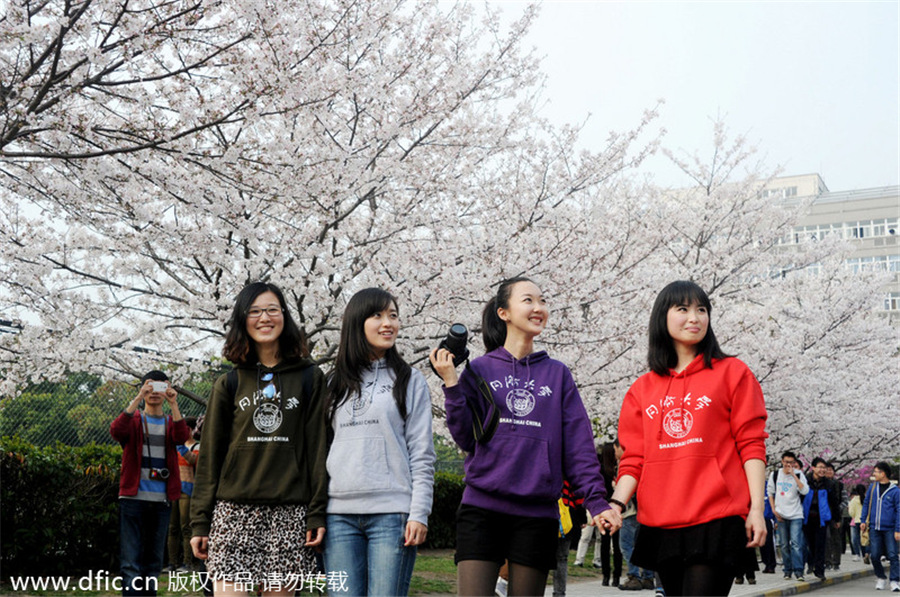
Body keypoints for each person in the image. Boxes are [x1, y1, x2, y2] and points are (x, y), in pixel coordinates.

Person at [430, 276, 621, 597]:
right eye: (528, 300)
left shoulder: (557, 375)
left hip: (536, 514)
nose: (538, 307)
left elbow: (578, 446)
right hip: (482, 509)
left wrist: (597, 502)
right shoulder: (480, 370)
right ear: (503, 312)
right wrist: (452, 383)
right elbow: (465, 437)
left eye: (542, 301)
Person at [608, 280, 768, 597]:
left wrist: (756, 509)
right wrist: (616, 503)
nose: (694, 317)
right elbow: (633, 458)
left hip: (717, 516)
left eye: (701, 309)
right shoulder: (642, 389)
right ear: (662, 318)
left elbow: (751, 444)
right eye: (682, 309)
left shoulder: (733, 372)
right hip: (661, 521)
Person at [190, 282, 328, 596]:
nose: (264, 318)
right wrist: (201, 521)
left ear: (284, 317)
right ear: (242, 320)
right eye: (254, 311)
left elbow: (318, 450)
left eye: (271, 310)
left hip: (290, 513)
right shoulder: (229, 382)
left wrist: (316, 512)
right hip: (233, 511)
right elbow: (210, 456)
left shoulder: (309, 378)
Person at [323, 288, 436, 596]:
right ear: (357, 322)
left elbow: (422, 453)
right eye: (378, 315)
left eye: (393, 316)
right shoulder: (333, 383)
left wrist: (419, 513)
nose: (388, 323)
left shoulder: (410, 381)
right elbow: (322, 450)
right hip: (338, 517)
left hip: (392, 514)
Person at [110, 370, 190, 596]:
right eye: (149, 387)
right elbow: (116, 431)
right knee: (130, 562)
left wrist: (174, 405)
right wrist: (136, 399)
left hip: (161, 501)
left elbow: (181, 436)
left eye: (160, 388)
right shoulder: (134, 419)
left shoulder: (170, 421)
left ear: (167, 390)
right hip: (133, 499)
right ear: (144, 389)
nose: (154, 392)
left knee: (153, 563)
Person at [768, 450, 809, 581]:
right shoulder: (775, 475)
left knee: (796, 544)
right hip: (781, 514)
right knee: (784, 544)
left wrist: (794, 475)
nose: (788, 465)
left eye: (791, 462)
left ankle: (799, 571)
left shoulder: (799, 474)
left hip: (796, 513)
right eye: (786, 462)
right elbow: (770, 493)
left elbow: (805, 490)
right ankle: (787, 570)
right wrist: (774, 510)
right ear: (782, 461)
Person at [860, 462, 899, 592]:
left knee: (893, 555)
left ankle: (894, 580)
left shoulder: (895, 491)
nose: (874, 474)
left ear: (883, 473)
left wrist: (898, 529)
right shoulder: (872, 488)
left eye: (876, 471)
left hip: (890, 528)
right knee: (875, 555)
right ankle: (881, 577)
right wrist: (863, 520)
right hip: (874, 528)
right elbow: (866, 504)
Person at [166, 416, 198, 574]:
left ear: (190, 430)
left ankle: (188, 563)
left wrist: (181, 447)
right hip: (173, 489)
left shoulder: (197, 446)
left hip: (188, 490)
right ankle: (172, 563)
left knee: (186, 527)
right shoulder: (173, 446)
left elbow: (194, 461)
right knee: (172, 527)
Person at [803, 457, 840, 580]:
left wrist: (837, 519)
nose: (822, 470)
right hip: (807, 517)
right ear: (813, 468)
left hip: (822, 518)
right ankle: (812, 563)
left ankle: (820, 570)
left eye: (824, 468)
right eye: (820, 467)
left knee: (821, 544)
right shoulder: (805, 480)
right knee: (810, 544)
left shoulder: (829, 484)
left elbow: (834, 502)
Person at [849, 483, 866, 562]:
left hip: (856, 521)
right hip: (865, 522)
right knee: (864, 538)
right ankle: (865, 554)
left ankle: (857, 554)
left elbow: (851, 511)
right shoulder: (867, 499)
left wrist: (854, 516)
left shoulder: (854, 500)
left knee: (855, 539)